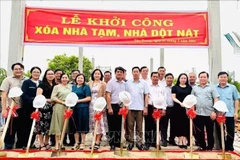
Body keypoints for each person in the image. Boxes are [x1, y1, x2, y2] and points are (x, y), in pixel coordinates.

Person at [0, 63, 27, 149]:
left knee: (22, 129)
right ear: (13, 70)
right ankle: (8, 146)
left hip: (24, 108)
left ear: (23, 70)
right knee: (10, 129)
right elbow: (3, 95)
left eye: (20, 69)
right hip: (12, 108)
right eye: (16, 69)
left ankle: (20, 146)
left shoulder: (26, 80)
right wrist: (4, 109)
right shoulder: (8, 80)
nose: (18, 70)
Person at [191, 71, 219, 151]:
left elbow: (216, 99)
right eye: (201, 77)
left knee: (210, 131)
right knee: (199, 132)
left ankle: (210, 147)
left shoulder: (212, 87)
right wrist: (193, 111)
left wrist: (214, 111)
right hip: (198, 113)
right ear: (199, 78)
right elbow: (192, 100)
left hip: (209, 113)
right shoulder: (195, 88)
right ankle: (202, 146)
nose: (203, 78)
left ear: (207, 78)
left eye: (204, 77)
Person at [215, 71, 240, 151]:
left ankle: (229, 148)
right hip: (218, 114)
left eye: (224, 77)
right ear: (218, 78)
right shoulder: (214, 88)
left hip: (229, 113)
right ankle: (222, 147)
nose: (223, 79)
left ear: (227, 78)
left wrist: (236, 112)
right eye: (221, 77)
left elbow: (236, 100)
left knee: (230, 131)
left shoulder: (232, 88)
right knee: (219, 131)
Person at [126, 66, 149, 151]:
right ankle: (130, 142)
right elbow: (125, 95)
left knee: (139, 127)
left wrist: (145, 107)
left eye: (137, 72)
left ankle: (139, 142)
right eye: (134, 72)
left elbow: (146, 95)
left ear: (139, 73)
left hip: (140, 108)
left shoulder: (143, 83)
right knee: (130, 126)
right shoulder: (128, 83)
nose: (135, 73)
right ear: (132, 73)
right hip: (130, 108)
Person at [49, 73, 72, 150]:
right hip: (59, 106)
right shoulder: (57, 87)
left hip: (68, 107)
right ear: (60, 79)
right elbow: (53, 97)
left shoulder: (71, 87)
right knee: (57, 125)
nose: (64, 79)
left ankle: (61, 142)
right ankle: (57, 143)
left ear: (68, 79)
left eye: (66, 77)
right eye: (63, 77)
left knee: (64, 125)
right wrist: (62, 102)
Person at [106, 66, 126, 151]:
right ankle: (112, 143)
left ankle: (118, 142)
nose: (119, 73)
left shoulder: (125, 84)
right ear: (115, 73)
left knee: (120, 125)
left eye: (121, 72)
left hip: (121, 106)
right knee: (112, 126)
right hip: (112, 105)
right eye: (117, 72)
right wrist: (109, 107)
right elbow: (108, 95)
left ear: (123, 74)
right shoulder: (111, 83)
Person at [21, 66, 42, 149]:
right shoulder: (27, 82)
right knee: (27, 125)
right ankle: (25, 144)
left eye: (38, 72)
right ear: (31, 73)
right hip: (28, 108)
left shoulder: (41, 83)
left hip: (39, 107)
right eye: (34, 72)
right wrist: (32, 101)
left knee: (35, 127)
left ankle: (32, 143)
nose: (36, 74)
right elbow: (23, 94)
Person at [145, 72, 166, 150]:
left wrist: (164, 108)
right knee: (148, 125)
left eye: (157, 76)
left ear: (159, 77)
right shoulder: (147, 86)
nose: (155, 78)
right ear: (151, 78)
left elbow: (165, 98)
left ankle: (155, 142)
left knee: (156, 126)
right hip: (150, 107)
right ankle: (147, 142)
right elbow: (146, 97)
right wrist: (146, 107)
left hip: (159, 108)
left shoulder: (162, 87)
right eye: (154, 76)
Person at [88, 69, 108, 150]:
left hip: (100, 104)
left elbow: (105, 95)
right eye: (95, 73)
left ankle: (97, 141)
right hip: (91, 105)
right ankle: (94, 139)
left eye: (98, 74)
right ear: (93, 75)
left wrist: (104, 106)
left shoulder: (103, 84)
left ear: (101, 75)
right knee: (92, 122)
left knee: (99, 122)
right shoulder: (89, 83)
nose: (96, 75)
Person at [36, 69, 56, 150]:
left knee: (49, 126)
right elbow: (38, 96)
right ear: (45, 75)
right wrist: (50, 100)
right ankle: (41, 144)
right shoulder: (41, 84)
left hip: (53, 108)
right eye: (48, 74)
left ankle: (46, 142)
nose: (50, 75)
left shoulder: (55, 85)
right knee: (41, 126)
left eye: (52, 74)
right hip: (43, 107)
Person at [70, 74, 91, 150]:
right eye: (78, 78)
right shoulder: (73, 87)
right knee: (75, 125)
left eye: (81, 78)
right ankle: (76, 143)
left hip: (83, 107)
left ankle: (83, 143)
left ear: (84, 79)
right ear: (76, 79)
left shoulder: (86, 87)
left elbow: (88, 98)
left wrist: (78, 101)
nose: (80, 79)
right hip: (74, 108)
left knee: (82, 124)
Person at [171, 73, 192, 149]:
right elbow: (173, 97)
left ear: (187, 79)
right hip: (177, 108)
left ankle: (184, 140)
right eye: (182, 78)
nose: (183, 79)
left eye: (185, 78)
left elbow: (191, 97)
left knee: (186, 124)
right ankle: (180, 140)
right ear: (179, 79)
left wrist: (187, 105)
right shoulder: (174, 87)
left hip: (187, 108)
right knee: (178, 124)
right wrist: (180, 103)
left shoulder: (189, 88)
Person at [160, 73, 176, 146]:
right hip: (165, 108)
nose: (169, 79)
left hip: (173, 108)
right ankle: (164, 140)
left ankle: (172, 139)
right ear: (165, 79)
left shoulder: (175, 87)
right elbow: (162, 98)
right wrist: (163, 108)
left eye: (171, 78)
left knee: (173, 125)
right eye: (168, 78)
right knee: (164, 125)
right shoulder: (162, 88)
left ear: (173, 79)